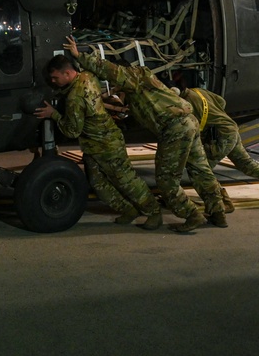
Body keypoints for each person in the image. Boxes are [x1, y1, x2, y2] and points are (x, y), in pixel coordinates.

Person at [68, 36, 227, 232]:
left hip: (174, 128)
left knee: (166, 179)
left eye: (117, 83)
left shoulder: (133, 76)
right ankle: (217, 212)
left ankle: (191, 214)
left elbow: (107, 69)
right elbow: (136, 113)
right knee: (200, 170)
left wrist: (79, 56)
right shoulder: (140, 89)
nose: (116, 87)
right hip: (187, 121)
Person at [34, 55, 163, 229]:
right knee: (97, 183)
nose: (52, 81)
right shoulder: (88, 76)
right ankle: (129, 210)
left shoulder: (74, 99)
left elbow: (72, 131)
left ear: (67, 73)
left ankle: (153, 212)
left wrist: (53, 114)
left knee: (127, 181)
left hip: (106, 145)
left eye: (55, 77)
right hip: (95, 145)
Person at [177, 83, 259, 209]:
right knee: (247, 164)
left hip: (220, 137)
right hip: (230, 129)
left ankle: (224, 202)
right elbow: (221, 102)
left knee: (202, 169)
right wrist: (215, 117)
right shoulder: (198, 91)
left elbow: (190, 128)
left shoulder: (186, 103)